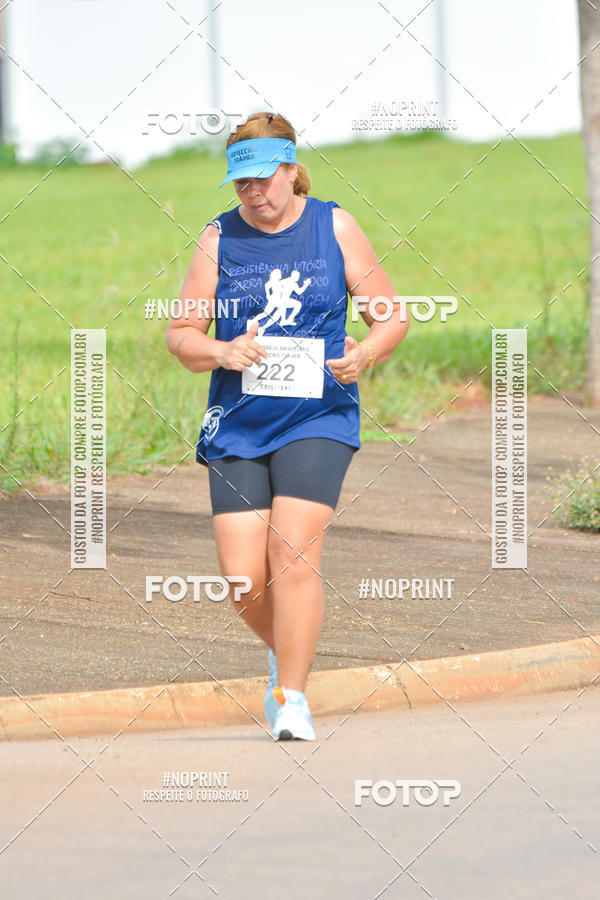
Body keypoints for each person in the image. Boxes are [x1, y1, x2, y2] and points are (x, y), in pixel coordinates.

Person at [166, 112, 409, 740]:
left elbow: (391, 318)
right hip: (239, 423)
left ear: (291, 170)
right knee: (244, 579)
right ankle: (290, 647)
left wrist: (365, 354)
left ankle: (291, 696)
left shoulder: (335, 225)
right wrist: (221, 352)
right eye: (241, 183)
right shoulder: (218, 239)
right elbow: (181, 336)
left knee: (294, 553)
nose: (254, 193)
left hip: (318, 416)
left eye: (265, 179)